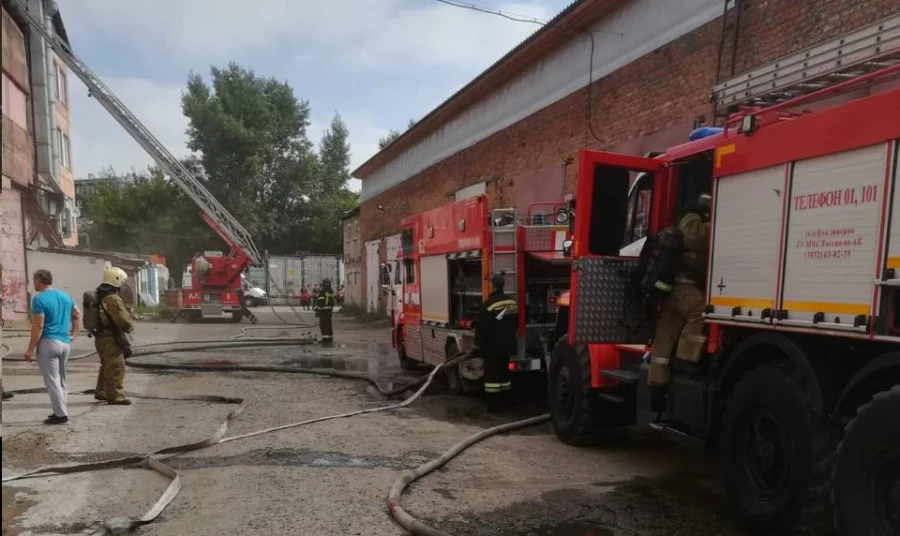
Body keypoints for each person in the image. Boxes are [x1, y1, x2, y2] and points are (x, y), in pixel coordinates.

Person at [648, 193, 712, 407]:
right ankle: (685, 359)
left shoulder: (691, 217)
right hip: (683, 285)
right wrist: (719, 224)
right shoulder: (691, 218)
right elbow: (695, 237)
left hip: (674, 288)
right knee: (700, 310)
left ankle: (656, 386)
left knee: (665, 339)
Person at [23, 269, 80, 425]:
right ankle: (60, 411)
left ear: (40, 280)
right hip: (65, 343)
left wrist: (30, 349)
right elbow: (77, 314)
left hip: (49, 343)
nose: (33, 284)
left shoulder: (39, 299)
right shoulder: (65, 296)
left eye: (34, 281)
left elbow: (38, 325)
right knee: (61, 380)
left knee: (52, 381)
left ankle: (61, 415)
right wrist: (74, 334)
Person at [472, 273, 518, 413]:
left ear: (492, 286)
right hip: (508, 347)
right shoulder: (512, 303)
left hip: (492, 348)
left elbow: (482, 328)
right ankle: (507, 404)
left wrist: (477, 346)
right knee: (505, 377)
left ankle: (494, 407)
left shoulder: (489, 304)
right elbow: (513, 322)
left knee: (492, 378)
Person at [93, 266, 135, 405]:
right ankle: (116, 396)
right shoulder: (112, 298)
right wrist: (129, 325)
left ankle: (102, 391)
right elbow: (122, 319)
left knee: (106, 365)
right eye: (122, 282)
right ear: (116, 280)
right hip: (111, 338)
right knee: (116, 366)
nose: (122, 285)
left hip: (101, 337)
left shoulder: (99, 295)